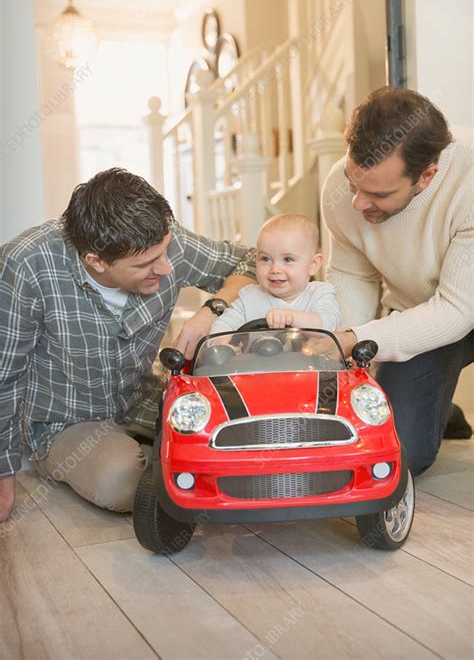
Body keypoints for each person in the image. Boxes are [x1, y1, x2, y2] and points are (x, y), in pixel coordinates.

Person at [0, 168, 257, 522]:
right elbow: (4, 375)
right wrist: (3, 473)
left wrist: (213, 309)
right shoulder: (28, 263)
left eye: (165, 252)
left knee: (237, 437)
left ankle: (164, 453)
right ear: (97, 261)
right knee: (122, 482)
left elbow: (252, 262)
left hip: (142, 398)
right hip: (64, 422)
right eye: (146, 264)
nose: (166, 268)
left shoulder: (164, 243)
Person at [318, 86, 473, 475]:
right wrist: (347, 344)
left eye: (378, 194)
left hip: (458, 305)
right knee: (393, 454)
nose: (358, 204)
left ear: (427, 176)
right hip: (422, 311)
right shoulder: (341, 188)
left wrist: (357, 339)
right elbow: (353, 275)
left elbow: (457, 310)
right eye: (355, 186)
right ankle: (435, 405)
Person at [210, 213, 341, 333]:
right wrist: (224, 343)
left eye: (288, 259)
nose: (275, 269)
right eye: (265, 259)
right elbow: (223, 324)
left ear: (313, 265)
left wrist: (291, 317)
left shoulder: (320, 293)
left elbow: (328, 322)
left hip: (309, 358)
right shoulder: (249, 297)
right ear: (255, 260)